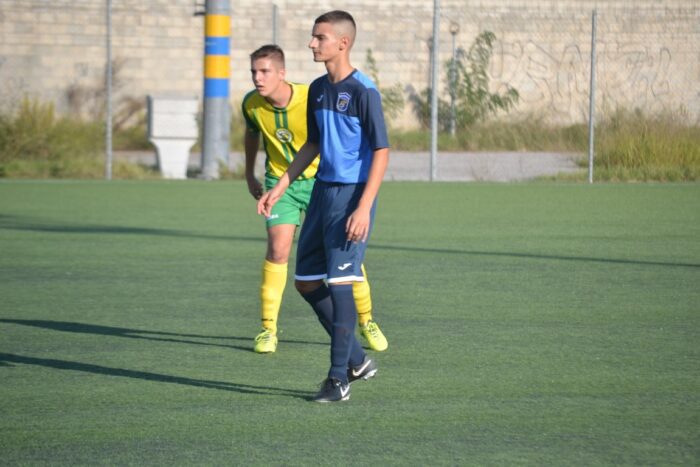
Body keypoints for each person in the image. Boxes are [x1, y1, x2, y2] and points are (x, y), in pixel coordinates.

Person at [257, 11, 390, 402]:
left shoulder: (364, 90)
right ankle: (356, 359)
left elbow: (382, 150)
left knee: (342, 284)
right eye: (313, 38)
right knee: (307, 281)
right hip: (321, 192)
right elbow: (312, 145)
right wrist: (280, 186)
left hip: (352, 195)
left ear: (342, 43)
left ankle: (338, 379)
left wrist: (364, 207)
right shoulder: (316, 89)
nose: (312, 44)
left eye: (320, 38)